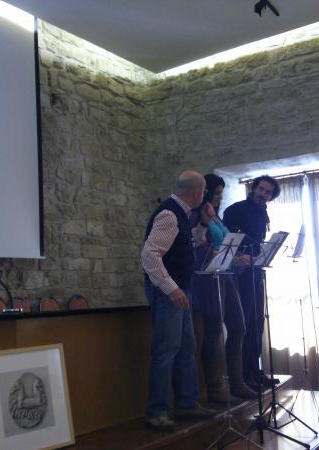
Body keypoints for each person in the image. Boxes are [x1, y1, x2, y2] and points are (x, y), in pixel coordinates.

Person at [141, 170, 216, 432]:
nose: (204, 195)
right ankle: (156, 412)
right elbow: (149, 256)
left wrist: (204, 225)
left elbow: (188, 244)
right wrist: (172, 289)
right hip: (168, 292)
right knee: (166, 351)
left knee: (185, 348)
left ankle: (186, 404)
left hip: (179, 290)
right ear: (197, 191)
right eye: (204, 190)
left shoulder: (181, 215)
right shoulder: (169, 215)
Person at [191, 174, 256, 403]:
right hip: (209, 278)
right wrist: (205, 224)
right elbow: (198, 244)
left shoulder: (216, 216)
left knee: (238, 326)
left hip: (226, 275)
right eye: (216, 193)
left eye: (221, 193)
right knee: (214, 331)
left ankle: (237, 383)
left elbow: (223, 243)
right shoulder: (198, 214)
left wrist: (237, 257)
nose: (220, 197)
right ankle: (216, 390)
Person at [222, 175, 281, 391]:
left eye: (267, 192)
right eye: (261, 189)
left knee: (257, 324)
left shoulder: (262, 213)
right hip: (239, 274)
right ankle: (243, 376)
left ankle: (255, 372)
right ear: (253, 187)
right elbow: (225, 240)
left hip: (256, 272)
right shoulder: (235, 210)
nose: (263, 193)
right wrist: (239, 256)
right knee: (243, 325)